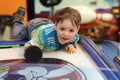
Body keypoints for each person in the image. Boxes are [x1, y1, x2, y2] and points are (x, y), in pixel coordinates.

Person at [12, 7, 81, 53]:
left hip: (47, 23)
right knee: (16, 37)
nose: (66, 34)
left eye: (71, 30)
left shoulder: (74, 37)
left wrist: (70, 45)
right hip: (34, 25)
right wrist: (34, 53)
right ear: (56, 26)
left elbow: (72, 42)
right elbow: (28, 45)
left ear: (77, 29)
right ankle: (18, 20)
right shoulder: (44, 37)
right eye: (62, 29)